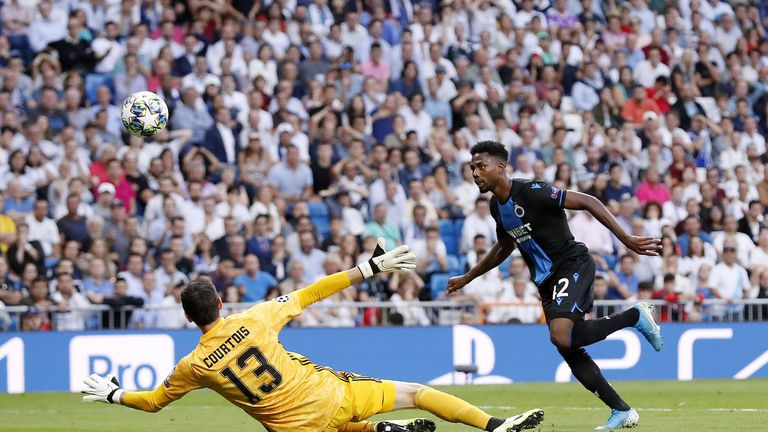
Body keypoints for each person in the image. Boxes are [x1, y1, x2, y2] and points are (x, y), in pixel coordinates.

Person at [82, 237, 544, 432]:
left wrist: (114, 394)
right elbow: (313, 291)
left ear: (187, 318)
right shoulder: (256, 318)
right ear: (221, 303)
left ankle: (382, 431)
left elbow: (153, 403)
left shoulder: (194, 366)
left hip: (290, 428)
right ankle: (493, 426)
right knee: (418, 392)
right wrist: (370, 267)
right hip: (327, 395)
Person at [447, 141, 664, 431]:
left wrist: (625, 238)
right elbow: (504, 247)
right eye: (472, 167)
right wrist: (468, 277)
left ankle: (634, 316)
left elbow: (588, 201)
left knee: (562, 334)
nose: (475, 172)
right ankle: (621, 410)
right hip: (546, 282)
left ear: (500, 167)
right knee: (567, 346)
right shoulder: (496, 207)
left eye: (480, 166)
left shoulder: (531, 191)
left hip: (571, 263)